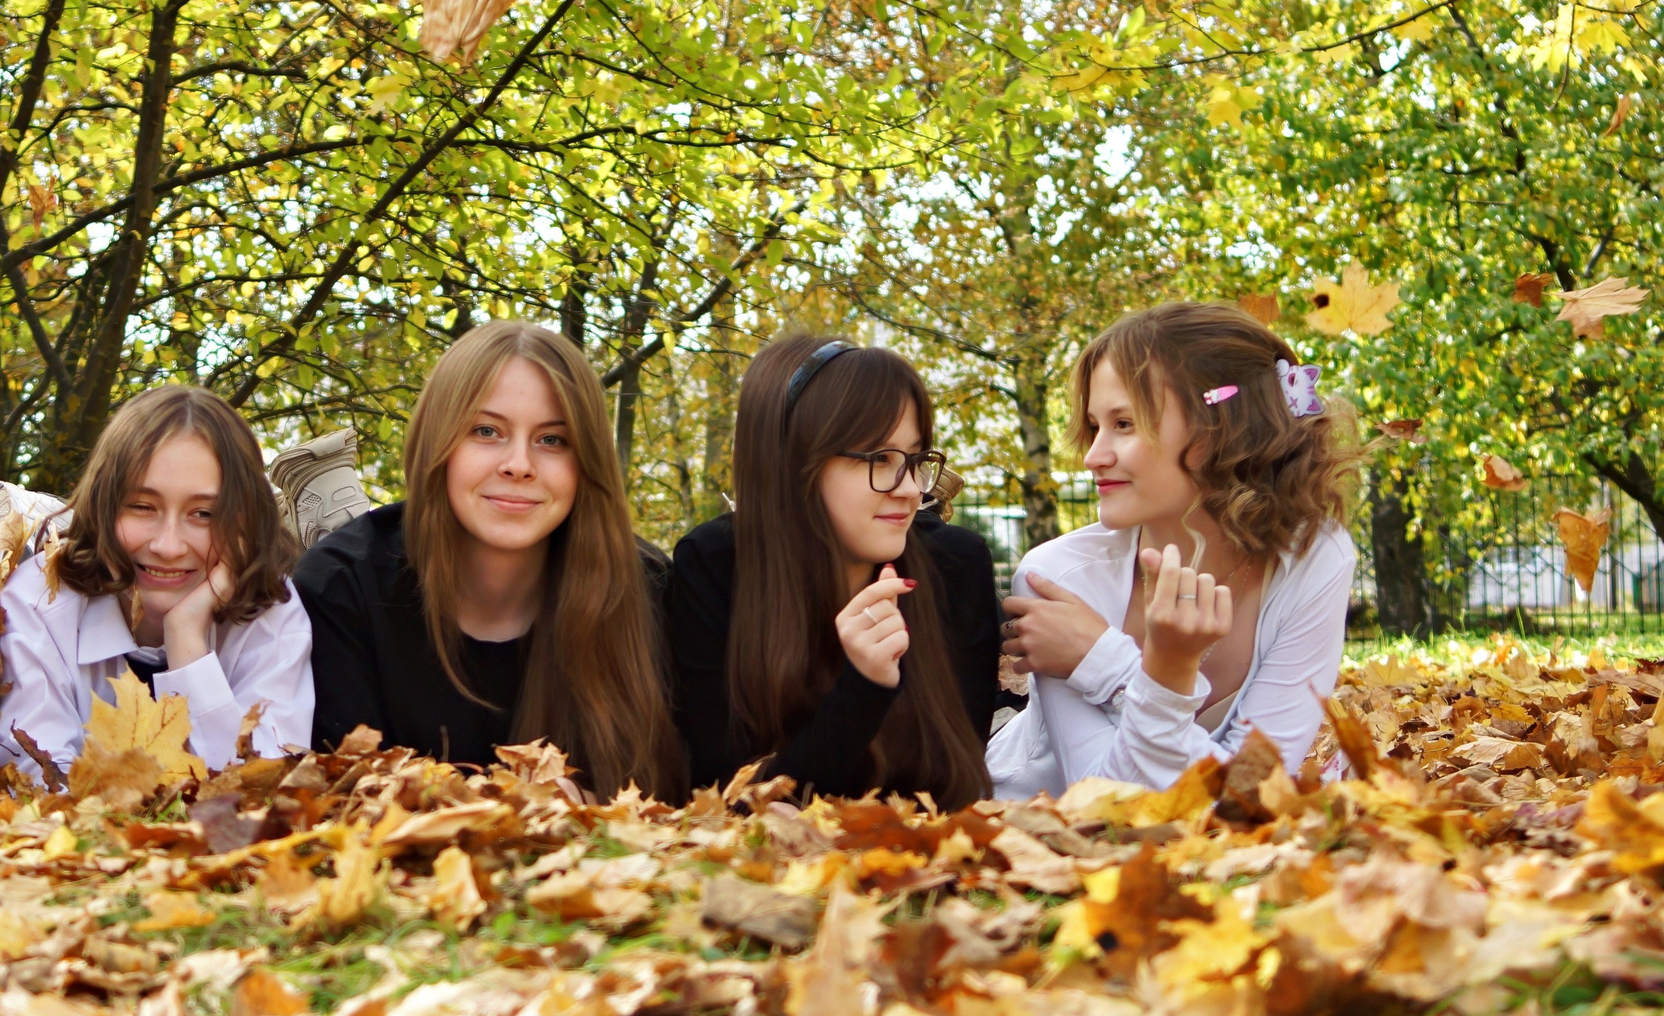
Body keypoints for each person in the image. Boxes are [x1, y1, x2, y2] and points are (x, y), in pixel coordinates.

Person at [294, 320, 684, 798]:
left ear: (588, 462)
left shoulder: (647, 591)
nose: (518, 464)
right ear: (438, 445)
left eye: (552, 440)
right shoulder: (342, 588)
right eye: (486, 431)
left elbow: (671, 808)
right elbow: (341, 803)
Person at [990, 302, 1360, 797]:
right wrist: (1161, 676)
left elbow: (1252, 790)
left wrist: (1107, 664)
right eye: (1095, 425)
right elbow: (1104, 807)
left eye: (1124, 424)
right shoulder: (1058, 577)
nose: (1093, 456)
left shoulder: (1315, 558)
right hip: (1029, 837)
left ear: (1220, 431)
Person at [667, 335, 1000, 807]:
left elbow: (954, 790)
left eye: (915, 459)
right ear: (793, 465)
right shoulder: (717, 564)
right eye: (879, 459)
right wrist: (862, 689)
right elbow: (728, 802)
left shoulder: (953, 566)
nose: (908, 489)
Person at [0, 386, 313, 778]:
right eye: (142, 507)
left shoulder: (272, 612)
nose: (167, 545)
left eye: (204, 514)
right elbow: (33, 785)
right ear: (103, 505)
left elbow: (259, 791)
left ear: (245, 522)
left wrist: (187, 642)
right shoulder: (39, 600)